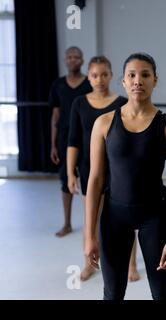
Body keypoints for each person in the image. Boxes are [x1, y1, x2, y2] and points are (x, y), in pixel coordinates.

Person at [84, 53, 166, 300]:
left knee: (162, 292)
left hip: (155, 217)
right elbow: (95, 181)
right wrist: (89, 235)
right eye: (131, 75)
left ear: (155, 80)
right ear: (123, 82)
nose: (138, 81)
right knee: (113, 293)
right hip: (114, 217)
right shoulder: (103, 124)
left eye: (145, 75)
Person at [67, 56, 140, 282]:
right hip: (90, 171)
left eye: (104, 75)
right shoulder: (79, 104)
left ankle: (131, 265)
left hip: (118, 172)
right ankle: (90, 263)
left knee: (127, 220)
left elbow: (130, 139)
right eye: (94, 75)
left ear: (112, 76)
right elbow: (73, 140)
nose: (99, 79)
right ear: (88, 77)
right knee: (92, 219)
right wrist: (71, 172)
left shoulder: (120, 103)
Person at [49, 46, 92, 237]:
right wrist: (53, 144)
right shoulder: (58, 85)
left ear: (82, 61)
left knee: (91, 180)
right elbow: (55, 117)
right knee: (66, 180)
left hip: (88, 138)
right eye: (69, 57)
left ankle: (91, 225)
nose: (73, 60)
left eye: (76, 57)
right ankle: (67, 223)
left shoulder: (90, 83)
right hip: (65, 140)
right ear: (65, 60)